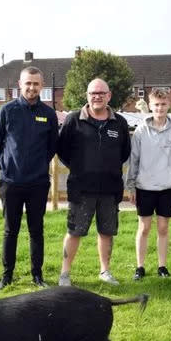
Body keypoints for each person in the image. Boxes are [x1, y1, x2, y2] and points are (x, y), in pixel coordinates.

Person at [56, 78, 131, 287]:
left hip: (110, 189)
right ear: (87, 96)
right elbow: (62, 151)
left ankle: (105, 271)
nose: (96, 97)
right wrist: (81, 167)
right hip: (81, 189)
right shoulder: (73, 120)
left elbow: (124, 153)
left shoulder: (120, 123)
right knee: (74, 231)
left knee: (107, 232)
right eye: (92, 93)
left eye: (101, 93)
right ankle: (64, 274)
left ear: (109, 96)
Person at [0, 66, 58, 291]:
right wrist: (7, 168)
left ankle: (37, 275)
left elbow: (52, 148)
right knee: (11, 230)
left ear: (42, 86)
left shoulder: (48, 114)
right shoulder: (7, 111)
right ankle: (7, 275)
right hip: (11, 183)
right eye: (28, 83)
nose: (32, 87)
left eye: (36, 83)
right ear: (20, 85)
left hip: (38, 183)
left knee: (36, 230)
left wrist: (38, 167)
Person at [125, 88, 171, 281]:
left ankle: (162, 266)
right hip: (144, 188)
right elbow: (133, 159)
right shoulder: (141, 130)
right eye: (156, 105)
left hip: (167, 188)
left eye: (163, 104)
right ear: (150, 106)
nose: (160, 108)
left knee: (163, 228)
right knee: (143, 228)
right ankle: (140, 267)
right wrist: (131, 186)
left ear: (169, 105)